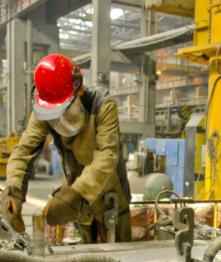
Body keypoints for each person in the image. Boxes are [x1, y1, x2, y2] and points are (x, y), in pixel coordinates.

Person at [0, 53, 132, 243]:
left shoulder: (103, 106)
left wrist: (75, 193)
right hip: (78, 205)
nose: (60, 120)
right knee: (85, 254)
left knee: (120, 253)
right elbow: (23, 151)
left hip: (111, 196)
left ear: (79, 88)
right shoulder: (44, 111)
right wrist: (13, 190)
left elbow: (107, 155)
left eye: (65, 110)